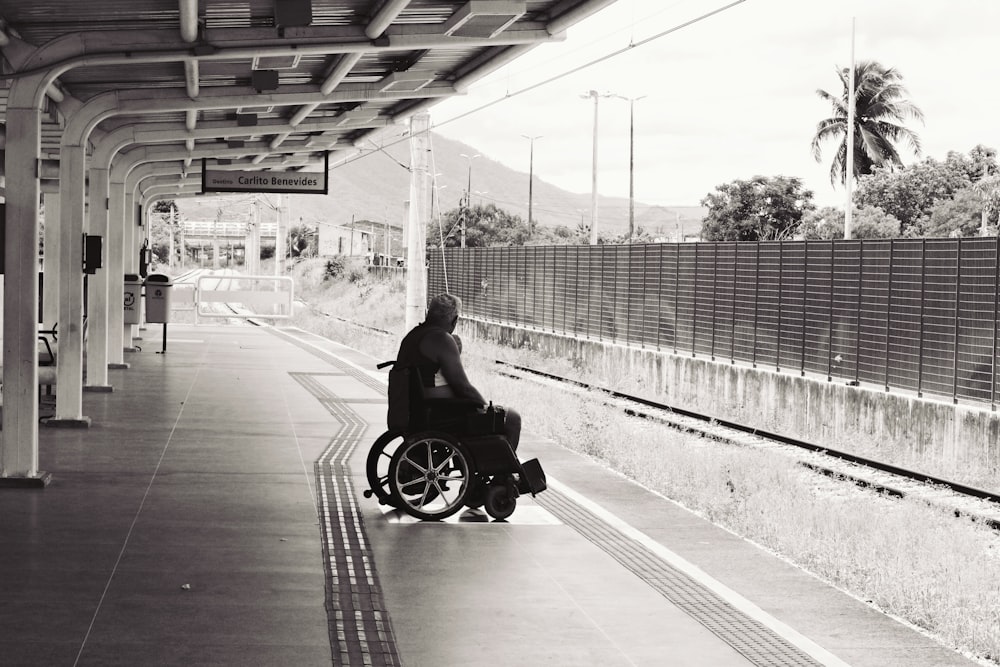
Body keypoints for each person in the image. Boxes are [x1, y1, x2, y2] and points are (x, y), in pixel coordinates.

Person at [395, 293, 521, 450]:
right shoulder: (442, 339)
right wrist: (485, 407)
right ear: (454, 320)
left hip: (414, 409)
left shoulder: (412, 336)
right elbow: (463, 386)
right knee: (512, 418)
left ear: (429, 313)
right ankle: (504, 472)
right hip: (438, 413)